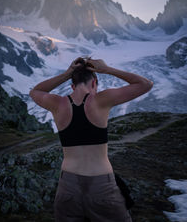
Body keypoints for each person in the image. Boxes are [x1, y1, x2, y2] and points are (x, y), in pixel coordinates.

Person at [29, 57, 153, 222]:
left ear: (72, 86)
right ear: (94, 83)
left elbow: (35, 92)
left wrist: (67, 74)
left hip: (68, 187)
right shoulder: (101, 100)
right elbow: (145, 84)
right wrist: (108, 69)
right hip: (101, 186)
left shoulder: (57, 104)